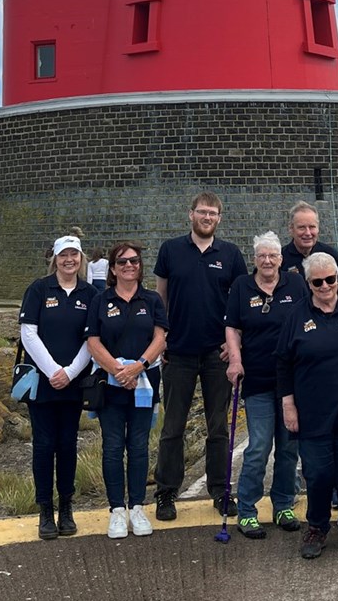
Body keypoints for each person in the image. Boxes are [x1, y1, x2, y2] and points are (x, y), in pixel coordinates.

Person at [152, 191, 248, 521]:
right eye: (202, 212)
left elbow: (238, 304)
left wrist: (234, 346)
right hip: (177, 352)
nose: (207, 217)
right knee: (173, 426)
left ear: (219, 219)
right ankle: (166, 491)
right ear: (190, 214)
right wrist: (160, 339)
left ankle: (221, 489)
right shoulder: (170, 250)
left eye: (213, 213)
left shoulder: (231, 254)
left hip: (215, 353)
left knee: (218, 426)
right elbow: (160, 299)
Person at [276, 252, 338, 560]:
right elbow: (282, 362)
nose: (325, 286)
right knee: (318, 473)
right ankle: (317, 527)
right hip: (313, 412)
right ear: (308, 283)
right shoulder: (296, 315)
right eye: (317, 281)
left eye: (330, 279)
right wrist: (288, 404)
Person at [224, 231, 306, 538]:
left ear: (281, 259)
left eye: (273, 255)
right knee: (258, 446)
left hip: (291, 381)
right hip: (257, 378)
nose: (268, 261)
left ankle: (283, 503)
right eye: (262, 256)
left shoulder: (295, 284)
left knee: (288, 446)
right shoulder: (241, 286)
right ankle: (247, 509)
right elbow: (233, 328)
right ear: (254, 259)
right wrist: (235, 360)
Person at [86, 242, 167, 539]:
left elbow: (160, 337)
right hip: (111, 385)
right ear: (112, 268)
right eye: (122, 262)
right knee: (112, 447)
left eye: (134, 261)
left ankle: (137, 506)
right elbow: (93, 342)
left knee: (139, 446)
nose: (129, 266)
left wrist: (139, 367)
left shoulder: (152, 300)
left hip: (144, 382)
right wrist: (119, 372)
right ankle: (116, 510)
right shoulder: (101, 300)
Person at [18, 234, 94, 540]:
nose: (69, 260)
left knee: (67, 446)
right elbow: (28, 333)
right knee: (43, 446)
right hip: (44, 384)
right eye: (64, 255)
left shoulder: (90, 293)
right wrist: (53, 371)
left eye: (74, 255)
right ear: (55, 258)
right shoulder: (39, 289)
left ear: (80, 259)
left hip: (73, 384)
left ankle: (66, 507)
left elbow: (93, 338)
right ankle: (45, 510)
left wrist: (72, 372)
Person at [280, 202, 338, 280]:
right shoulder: (280, 259)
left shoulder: (331, 254)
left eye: (312, 227)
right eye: (302, 227)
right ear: (291, 229)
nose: (308, 233)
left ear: (318, 228)